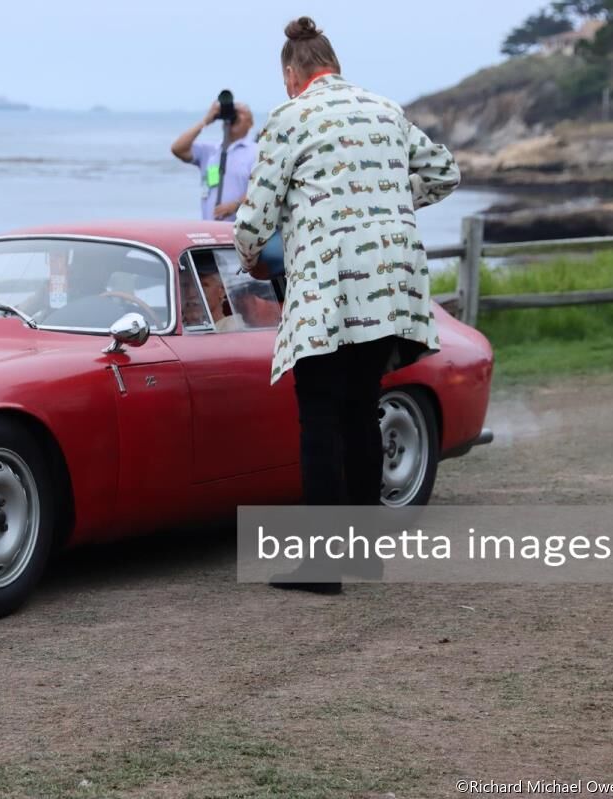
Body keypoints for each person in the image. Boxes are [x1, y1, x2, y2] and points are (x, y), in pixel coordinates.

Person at [233, 15, 460, 593]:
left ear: (292, 74)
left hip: (329, 286)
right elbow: (444, 172)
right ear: (333, 64)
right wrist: (385, 202)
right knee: (361, 408)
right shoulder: (384, 108)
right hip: (391, 283)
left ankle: (322, 564)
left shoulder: (291, 117)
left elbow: (254, 218)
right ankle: (361, 555)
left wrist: (249, 254)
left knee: (319, 416)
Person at [172, 100, 256, 221]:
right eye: (234, 112)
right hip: (210, 230)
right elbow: (177, 148)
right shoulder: (211, 151)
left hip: (241, 232)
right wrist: (205, 121)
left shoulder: (257, 152)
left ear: (250, 123)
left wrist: (236, 205)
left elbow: (262, 190)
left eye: (241, 113)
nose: (235, 115)